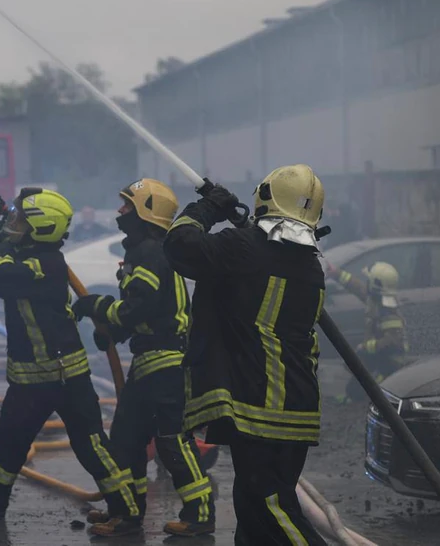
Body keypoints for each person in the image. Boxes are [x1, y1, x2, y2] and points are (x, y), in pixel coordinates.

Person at [0, 188, 141, 530]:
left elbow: (0, 276)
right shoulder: (19, 252)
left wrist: (9, 238)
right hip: (28, 379)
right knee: (8, 442)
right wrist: (9, 221)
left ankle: (126, 512)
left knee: (91, 446)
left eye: (24, 220)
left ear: (41, 228)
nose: (16, 224)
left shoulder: (46, 264)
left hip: (64, 377)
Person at [163, 164, 329, 546]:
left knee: (270, 506)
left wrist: (209, 207)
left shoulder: (244, 248)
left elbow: (180, 246)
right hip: (293, 404)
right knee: (254, 519)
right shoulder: (309, 264)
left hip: (263, 406)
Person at [72, 179, 215, 537]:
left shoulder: (150, 252)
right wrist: (114, 331)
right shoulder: (149, 250)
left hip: (165, 365)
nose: (120, 212)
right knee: (129, 439)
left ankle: (197, 515)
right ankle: (127, 513)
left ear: (144, 211)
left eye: (127, 206)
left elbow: (139, 307)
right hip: (156, 361)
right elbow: (150, 311)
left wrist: (97, 306)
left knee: (167, 440)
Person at [325, 261, 407, 403]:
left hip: (388, 362)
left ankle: (365, 397)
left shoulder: (388, 312)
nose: (366, 283)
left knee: (364, 391)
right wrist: (336, 273)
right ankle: (355, 395)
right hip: (378, 356)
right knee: (354, 382)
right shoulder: (376, 300)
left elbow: (392, 342)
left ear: (375, 285)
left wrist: (367, 347)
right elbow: (357, 287)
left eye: (369, 280)